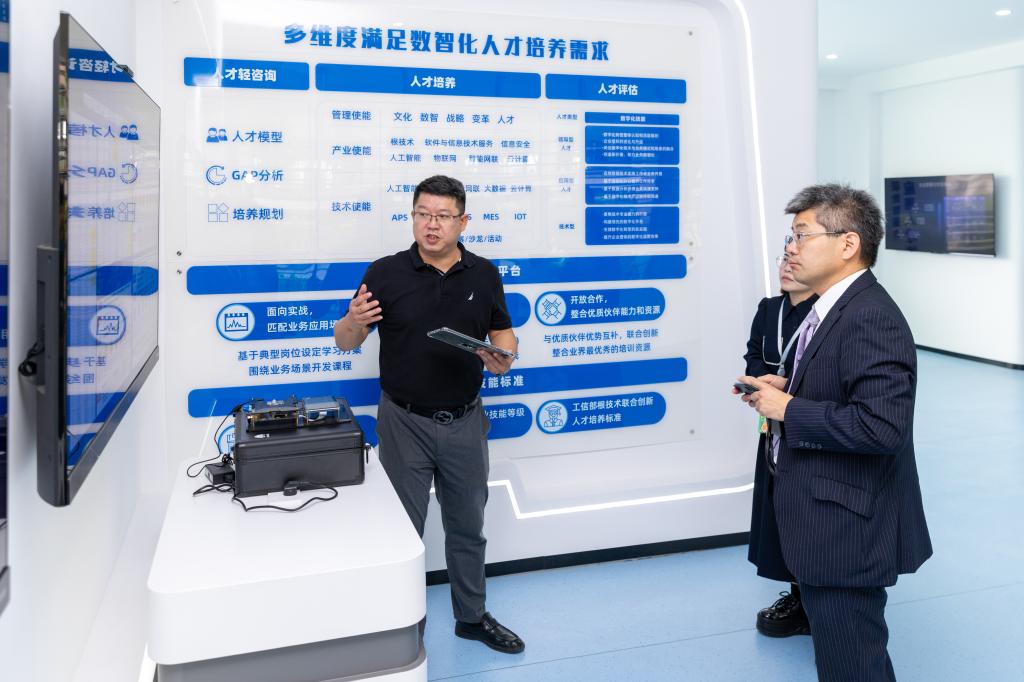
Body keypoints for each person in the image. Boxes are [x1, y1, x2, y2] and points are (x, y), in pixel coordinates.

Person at [736, 184, 931, 681]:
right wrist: (788, 387)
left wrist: (789, 408)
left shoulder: (870, 317)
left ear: (847, 244)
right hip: (825, 517)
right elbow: (843, 392)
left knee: (852, 663)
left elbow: (882, 427)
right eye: (791, 236)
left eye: (802, 235)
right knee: (849, 658)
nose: (791, 248)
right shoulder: (835, 307)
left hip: (846, 528)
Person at [334, 175, 525, 654]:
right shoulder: (384, 273)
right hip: (404, 422)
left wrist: (504, 355)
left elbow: (503, 331)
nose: (431, 224)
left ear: (463, 221)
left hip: (464, 420)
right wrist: (353, 320)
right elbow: (345, 341)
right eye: (422, 214)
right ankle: (402, 626)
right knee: (402, 531)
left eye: (442, 216)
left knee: (467, 527)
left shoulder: (484, 274)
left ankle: (472, 618)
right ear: (413, 217)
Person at [744, 254, 817, 637]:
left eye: (796, 260)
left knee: (807, 513)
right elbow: (753, 354)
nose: (787, 266)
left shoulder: (825, 314)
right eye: (783, 260)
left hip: (809, 425)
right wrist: (760, 382)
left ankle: (815, 599)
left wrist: (788, 391)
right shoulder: (769, 309)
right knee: (778, 510)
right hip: (772, 426)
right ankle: (796, 595)